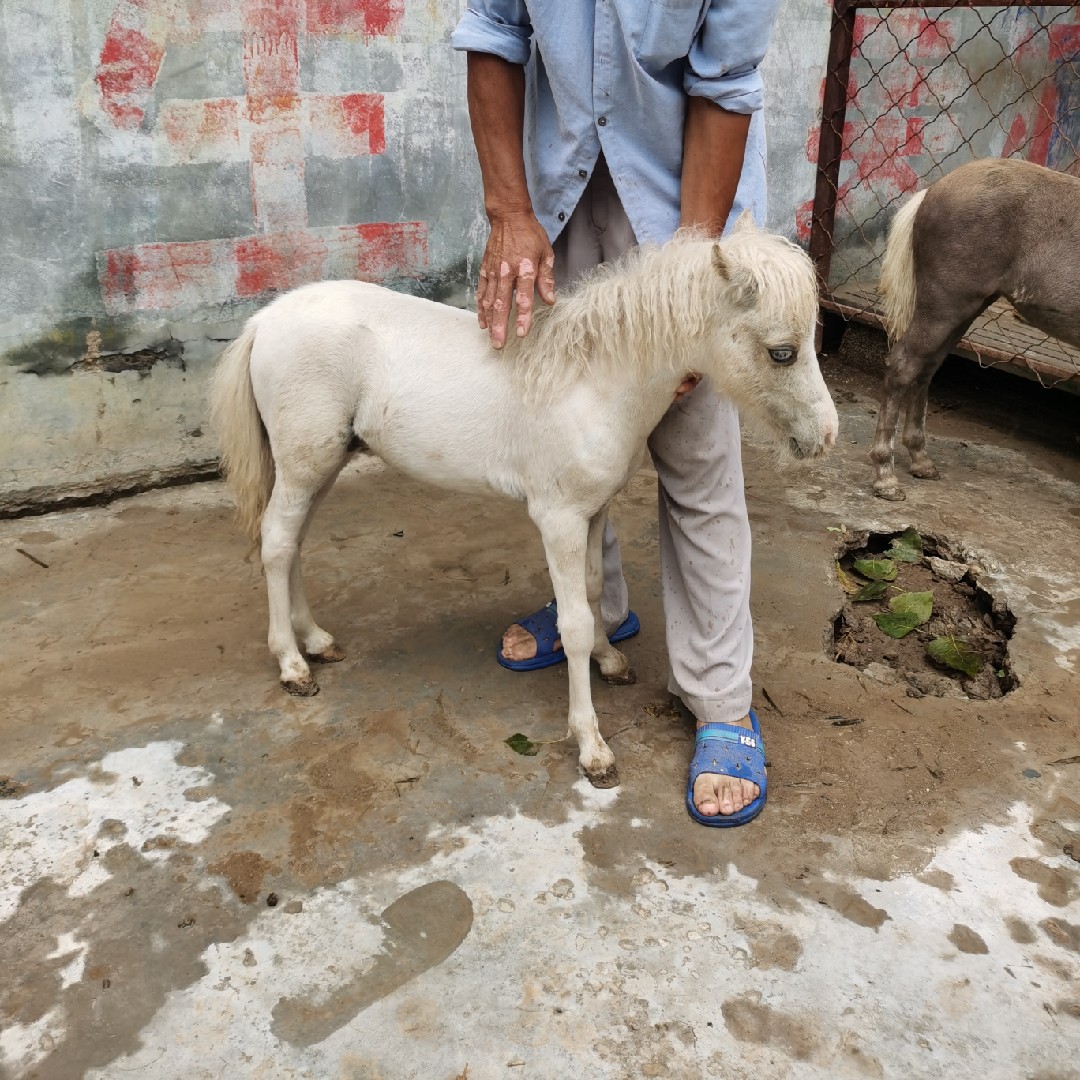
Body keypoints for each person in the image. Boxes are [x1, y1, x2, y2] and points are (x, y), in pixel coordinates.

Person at [450, 0, 780, 826]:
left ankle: (721, 699)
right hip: (556, 199)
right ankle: (597, 612)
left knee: (695, 453)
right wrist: (509, 214)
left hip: (684, 204)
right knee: (568, 434)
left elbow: (724, 85)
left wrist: (687, 289)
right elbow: (494, 34)